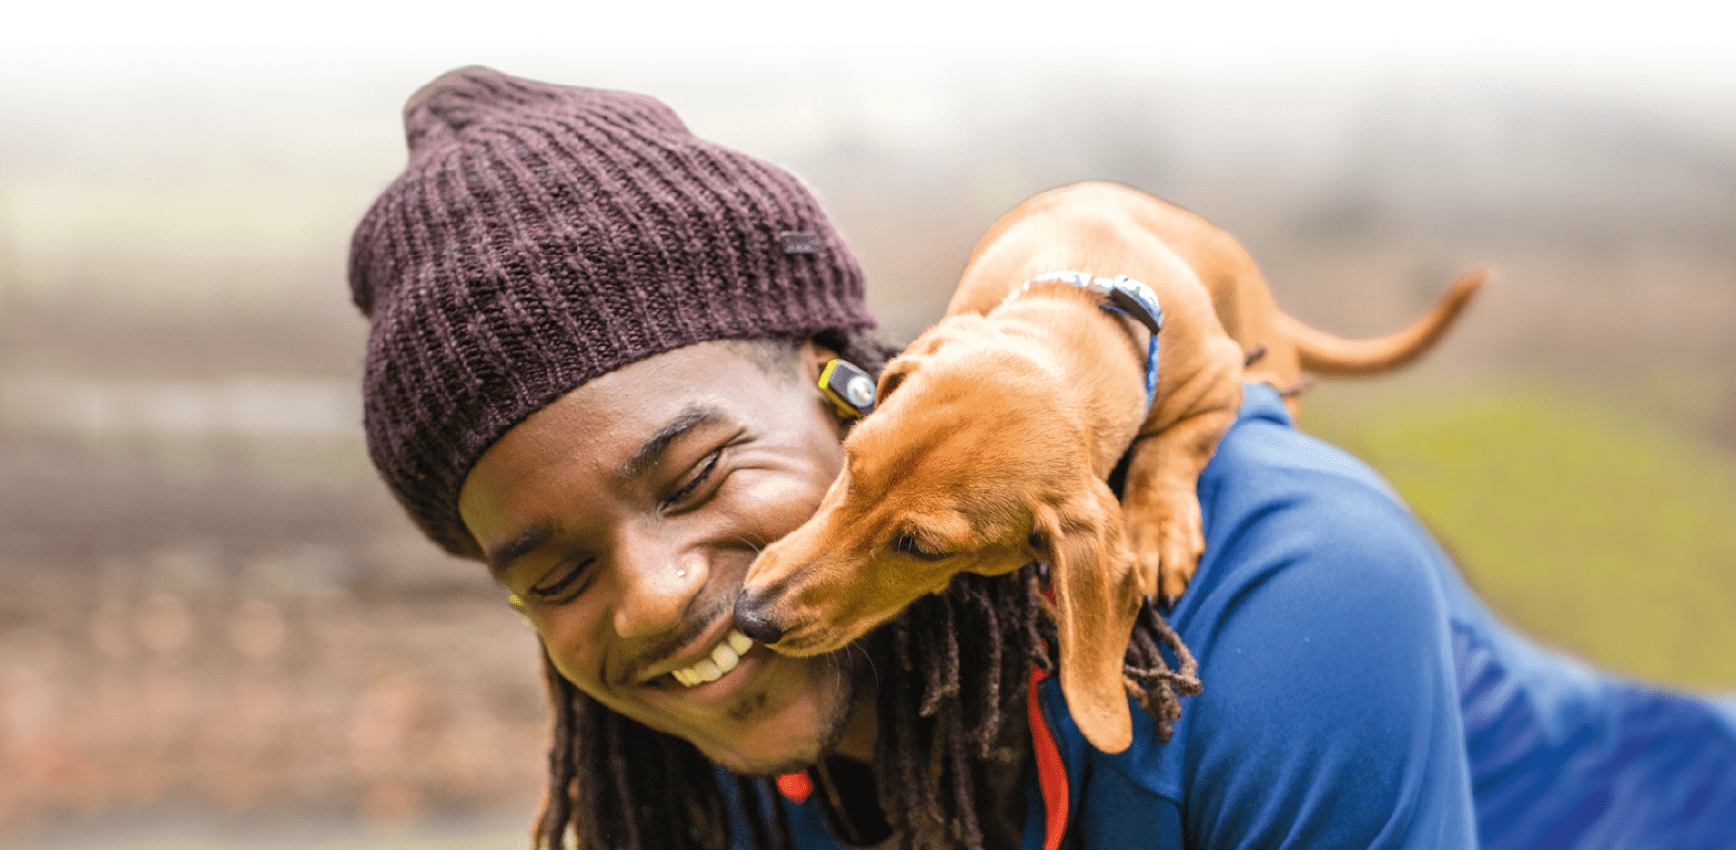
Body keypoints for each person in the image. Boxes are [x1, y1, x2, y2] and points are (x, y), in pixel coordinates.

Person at [347, 66, 1736, 850]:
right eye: (552, 568)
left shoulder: (1289, 607)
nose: (650, 597)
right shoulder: (721, 710)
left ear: (858, 390)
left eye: (699, 473)